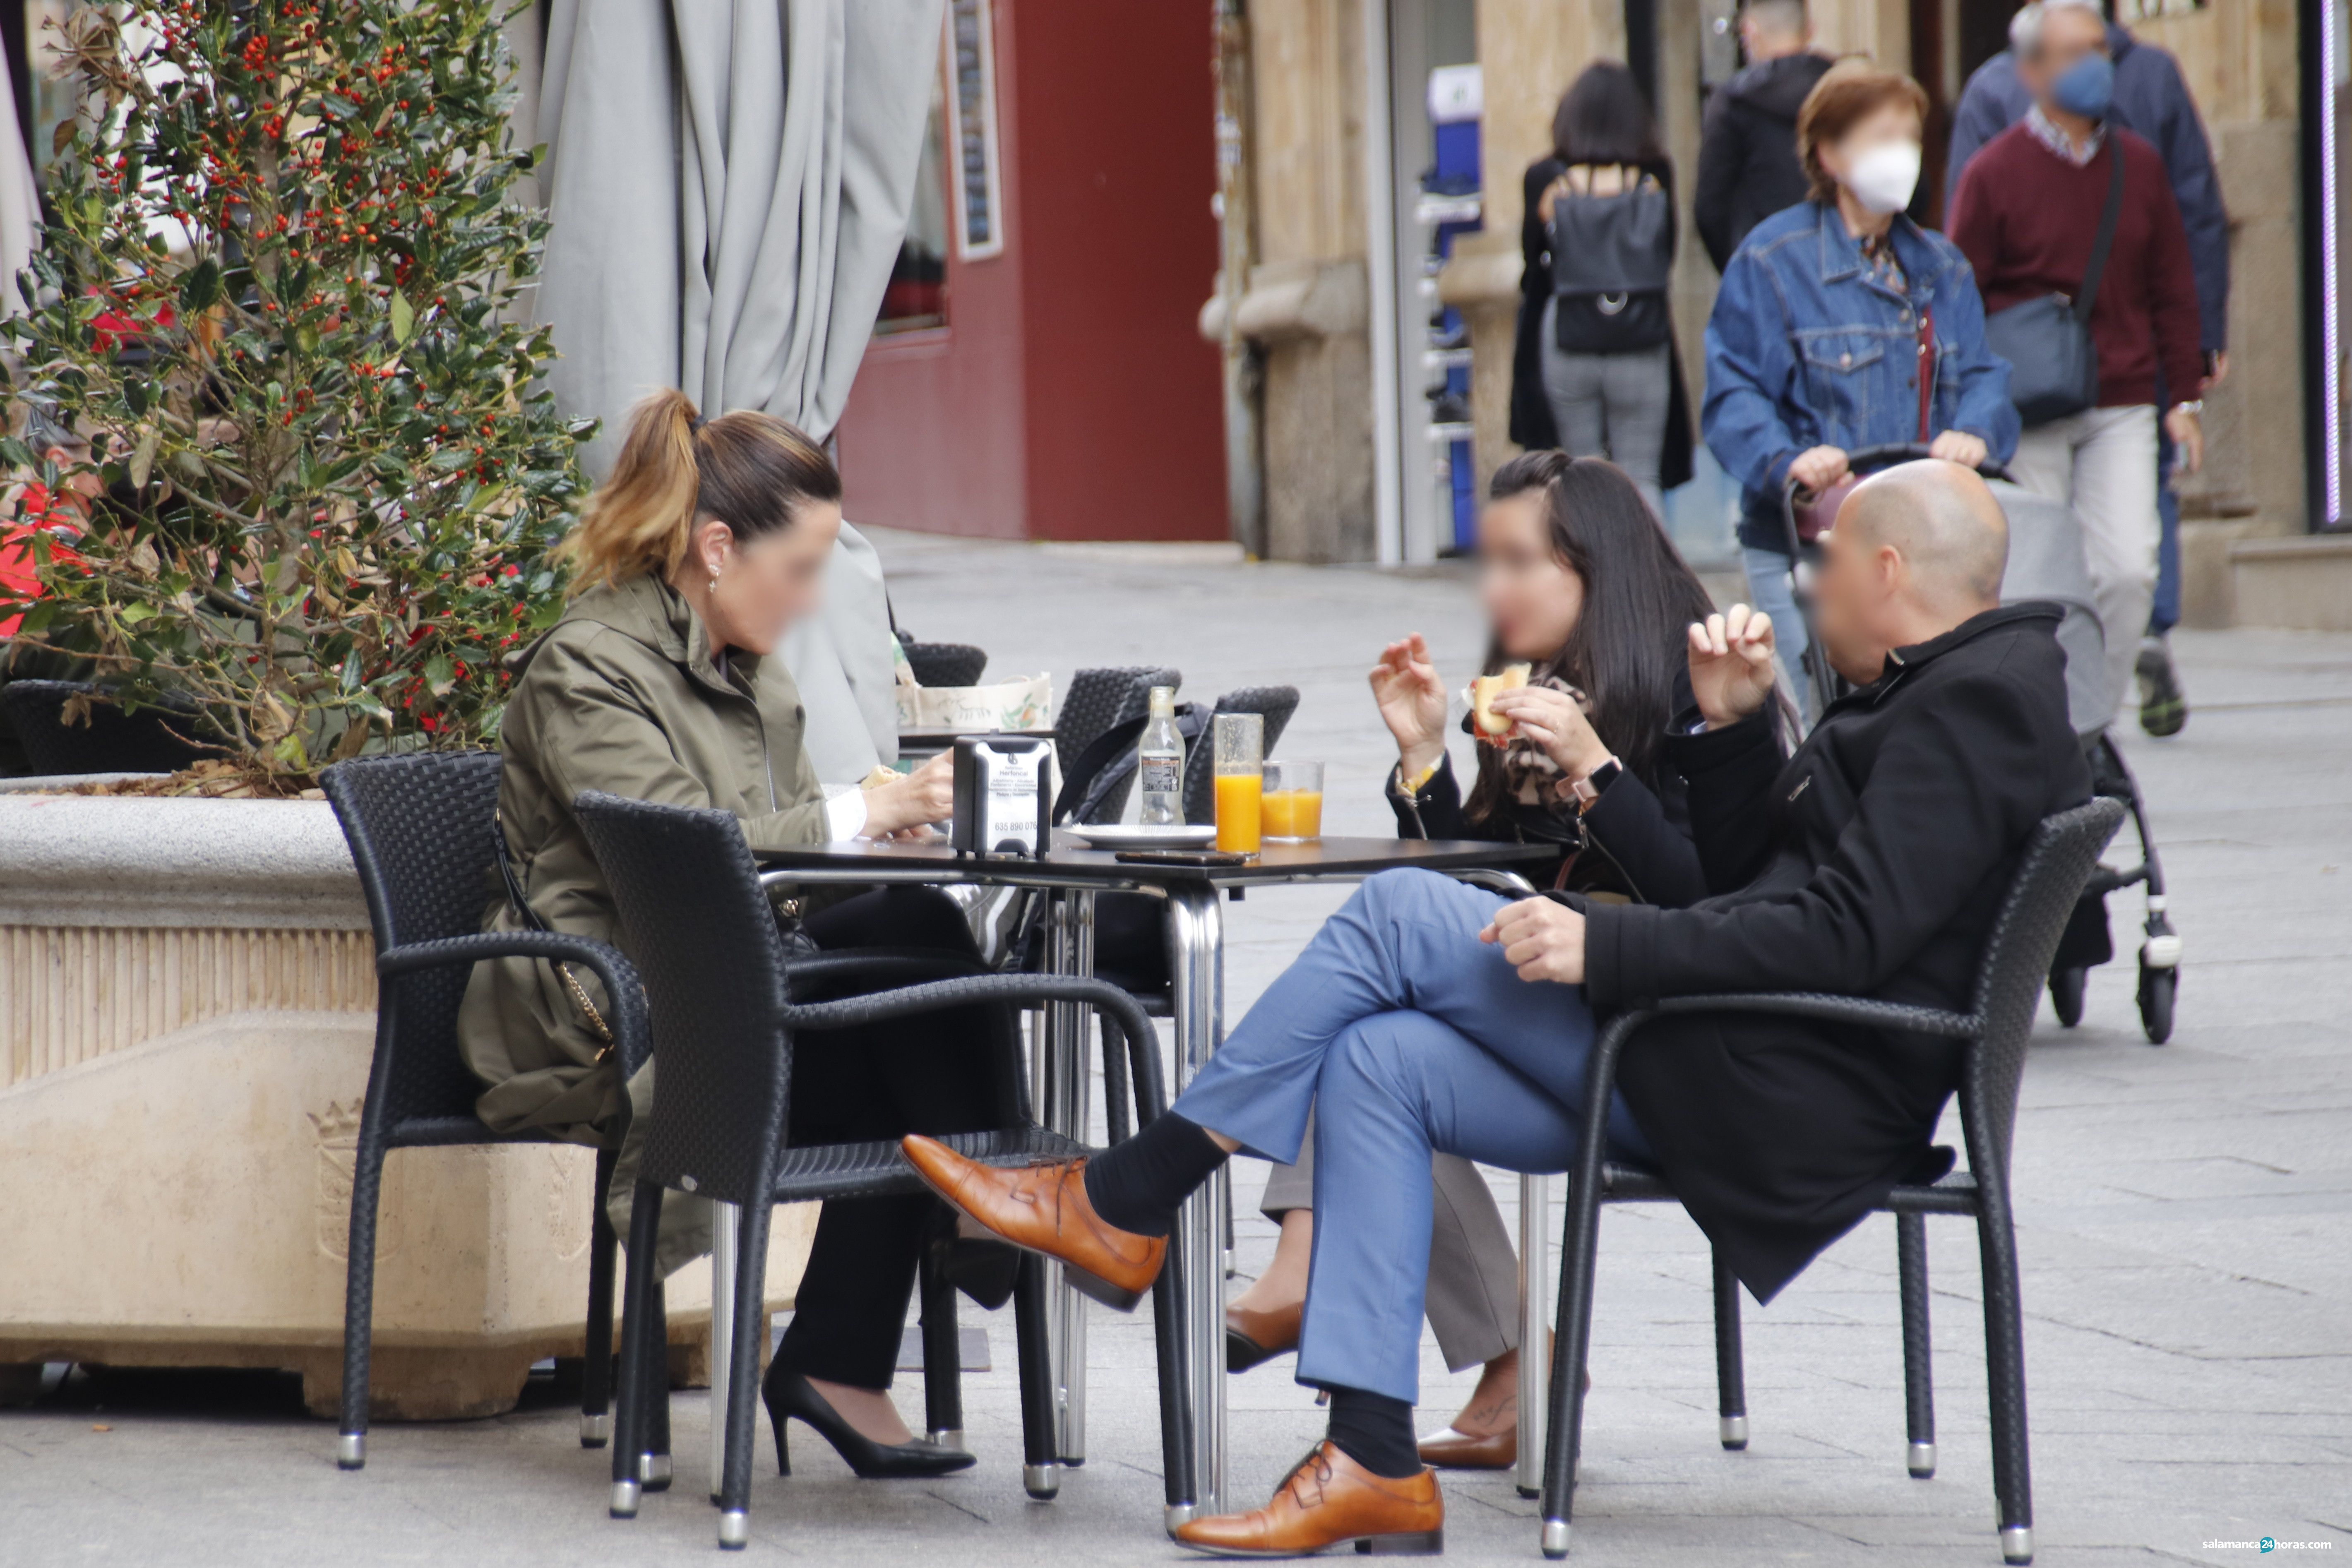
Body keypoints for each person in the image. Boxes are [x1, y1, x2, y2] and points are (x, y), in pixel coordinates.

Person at [904, 459, 2090, 1555]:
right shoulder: (1931, 689)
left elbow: (1841, 935)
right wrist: (1727, 729)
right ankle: (1371, 1451)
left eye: (1824, 558)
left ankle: (1128, 1192)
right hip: (1724, 1050)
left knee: (1397, 913)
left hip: (1786, 1090)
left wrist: (1605, 937)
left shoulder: (1973, 703)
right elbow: (1754, 885)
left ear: (1887, 571)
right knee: (1376, 1056)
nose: (1806, 579)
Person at [456, 390, 999, 1482]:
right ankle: (1001, 1214)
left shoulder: (750, 669)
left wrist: (881, 846)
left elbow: (784, 869)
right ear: (715, 547)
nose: (805, 601)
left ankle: (893, 1307)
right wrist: (867, 813)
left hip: (734, 996)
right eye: (798, 569)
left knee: (918, 931)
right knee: (910, 965)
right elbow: (676, 859)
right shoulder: (588, 668)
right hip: (610, 1025)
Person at [1225, 451, 1716, 1471]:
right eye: (1484, 561)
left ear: (1598, 571)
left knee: (1379, 963)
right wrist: (1420, 765)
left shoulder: (1699, 692)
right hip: (1559, 1015)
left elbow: (1710, 902)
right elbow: (1484, 883)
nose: (1490, 589)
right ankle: (1467, 1381)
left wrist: (1596, 770)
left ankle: (1264, 1241)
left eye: (1517, 561)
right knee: (1374, 1037)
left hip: (1658, 1040)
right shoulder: (1546, 688)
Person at [1703, 63, 2018, 723]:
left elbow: (1984, 375)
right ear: (1828, 153)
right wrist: (1788, 459)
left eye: (1909, 135)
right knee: (1811, 714)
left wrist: (1976, 430)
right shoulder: (1771, 260)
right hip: (1806, 543)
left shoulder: (1939, 265)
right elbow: (1733, 393)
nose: (1901, 152)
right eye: (1881, 136)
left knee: (1920, 712)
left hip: (1919, 546)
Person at [1946, 0, 2225, 738]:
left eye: (2099, 48)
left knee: (2128, 569)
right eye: (2073, 52)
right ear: (2031, 70)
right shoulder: (1992, 171)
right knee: (2040, 576)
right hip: (2029, 402)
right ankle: (2047, 730)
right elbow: (1957, 293)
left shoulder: (2139, 164)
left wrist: (2184, 399)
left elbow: (2171, 282)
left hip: (2122, 396)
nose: (2095, 65)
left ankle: (2083, 729)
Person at [1522, 62, 1691, 519]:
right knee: (1641, 477)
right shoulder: (1654, 176)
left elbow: (1531, 264)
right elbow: (1666, 253)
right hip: (1640, 333)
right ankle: (1650, 588)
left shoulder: (1546, 179)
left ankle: (1589, 587)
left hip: (1569, 336)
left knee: (1580, 472)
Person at [1694, 0, 1834, 272]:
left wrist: (1740, 270)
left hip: (1766, 267)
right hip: (1844, 264)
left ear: (1750, 31)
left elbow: (1710, 208)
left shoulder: (1732, 102)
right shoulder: (1847, 90)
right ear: (1810, 29)